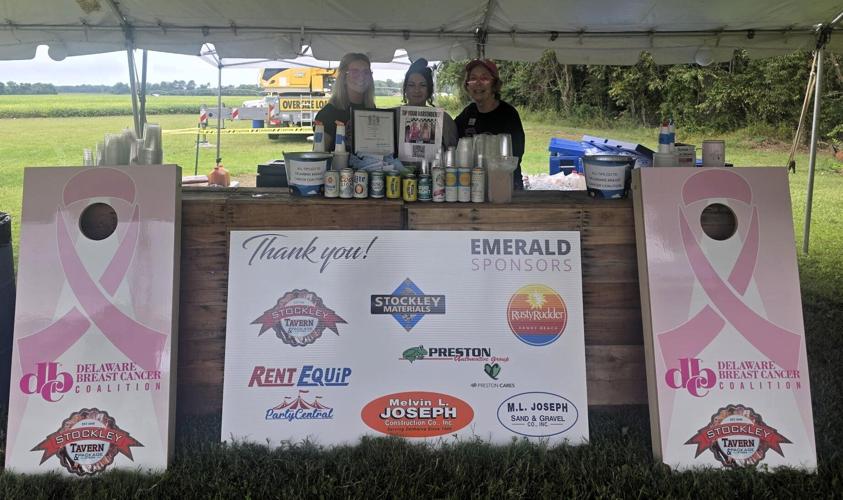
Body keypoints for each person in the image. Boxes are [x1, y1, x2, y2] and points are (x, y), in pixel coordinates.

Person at [455, 59, 525, 189]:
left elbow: (516, 155)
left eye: (484, 78)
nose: (478, 84)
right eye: (473, 78)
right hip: (475, 188)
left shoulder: (508, 114)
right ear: (467, 85)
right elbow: (452, 141)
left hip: (506, 188)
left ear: (494, 83)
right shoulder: (468, 113)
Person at [315, 53, 376, 151]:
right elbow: (319, 155)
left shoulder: (371, 108)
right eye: (355, 72)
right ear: (343, 78)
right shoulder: (328, 113)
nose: (362, 77)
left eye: (366, 72)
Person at [402, 58, 459, 150]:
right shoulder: (393, 116)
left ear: (429, 89)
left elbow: (452, 151)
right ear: (405, 89)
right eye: (411, 85)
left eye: (423, 85)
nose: (417, 90)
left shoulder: (444, 120)